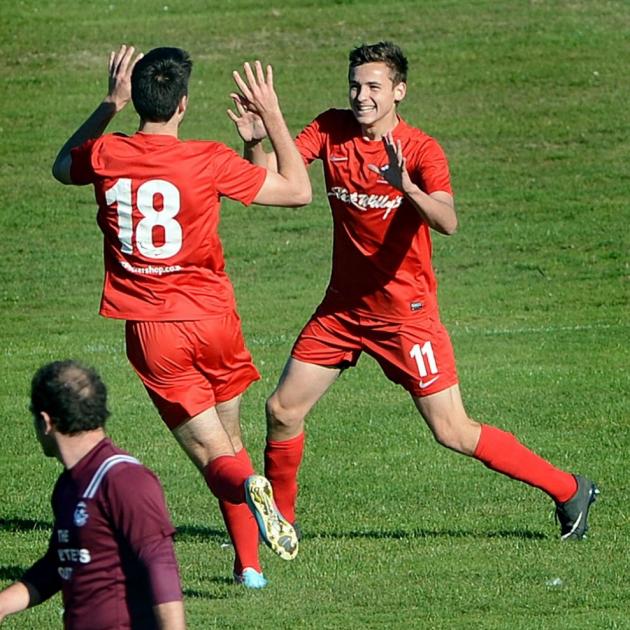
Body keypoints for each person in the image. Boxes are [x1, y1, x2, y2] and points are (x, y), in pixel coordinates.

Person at [230, 41, 599, 542]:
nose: (362, 96)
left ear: (399, 92)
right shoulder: (330, 128)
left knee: (452, 431)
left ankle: (570, 489)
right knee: (281, 410)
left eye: (374, 87)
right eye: (356, 86)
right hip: (342, 310)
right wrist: (256, 140)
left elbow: (448, 220)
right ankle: (281, 525)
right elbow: (274, 180)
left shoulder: (421, 150)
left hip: (406, 316)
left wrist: (408, 188)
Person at [51, 45, 311, 588]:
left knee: (216, 459)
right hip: (216, 320)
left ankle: (249, 493)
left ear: (137, 98)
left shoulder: (106, 154)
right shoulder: (207, 159)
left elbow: (60, 165)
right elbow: (297, 191)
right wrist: (270, 119)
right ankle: (249, 568)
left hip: (155, 332)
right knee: (232, 441)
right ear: (183, 105)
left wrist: (108, 103)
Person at [0, 360, 186, 629]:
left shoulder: (124, 479)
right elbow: (59, 563)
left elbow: (160, 563)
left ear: (45, 421)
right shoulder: (69, 485)